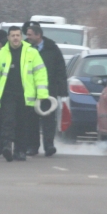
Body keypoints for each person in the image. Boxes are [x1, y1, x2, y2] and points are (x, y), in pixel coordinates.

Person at [0, 26, 48, 162]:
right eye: (12, 35)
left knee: (22, 124)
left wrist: (42, 94)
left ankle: (20, 151)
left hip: (25, 96)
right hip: (7, 95)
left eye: (18, 35)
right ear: (8, 38)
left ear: (21, 37)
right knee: (7, 121)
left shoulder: (32, 53)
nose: (15, 38)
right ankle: (7, 146)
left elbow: (40, 74)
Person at [24, 23, 67, 157]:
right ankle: (33, 146)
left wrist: (62, 90)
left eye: (30, 35)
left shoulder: (52, 49)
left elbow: (60, 70)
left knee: (48, 119)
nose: (28, 37)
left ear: (39, 35)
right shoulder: (25, 48)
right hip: (30, 90)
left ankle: (49, 146)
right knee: (31, 120)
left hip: (49, 91)